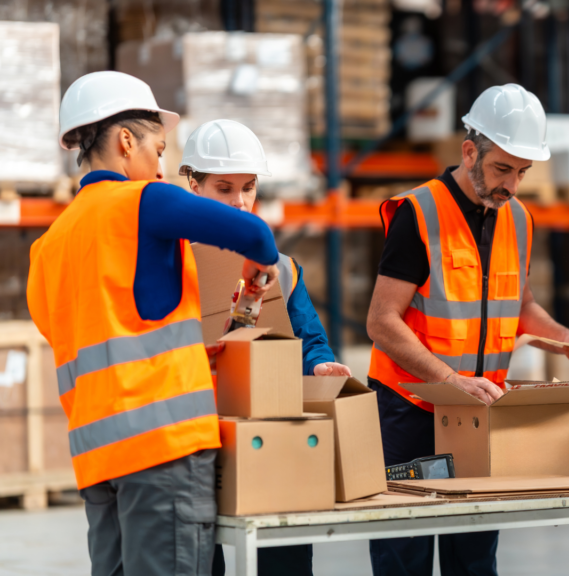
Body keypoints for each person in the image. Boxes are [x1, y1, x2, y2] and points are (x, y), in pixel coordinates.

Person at [26, 71, 281, 576]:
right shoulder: (146, 201)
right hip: (163, 452)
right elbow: (255, 234)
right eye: (159, 151)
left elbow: (79, 332)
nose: (161, 167)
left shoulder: (47, 248)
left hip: (97, 461)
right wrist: (256, 265)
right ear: (125, 141)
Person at [364, 83, 569, 576]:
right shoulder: (418, 213)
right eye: (501, 169)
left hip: (478, 411)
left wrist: (565, 339)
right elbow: (381, 322)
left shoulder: (518, 218)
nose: (511, 185)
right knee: (402, 555)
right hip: (409, 411)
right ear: (469, 150)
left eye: (521, 173)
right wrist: (450, 381)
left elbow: (523, 304)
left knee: (473, 555)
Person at [178, 119, 352, 576]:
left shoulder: (284, 269)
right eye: (224, 187)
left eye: (248, 187)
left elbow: (309, 339)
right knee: (197, 559)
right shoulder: (173, 266)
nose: (239, 201)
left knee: (286, 557)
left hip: (266, 434)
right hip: (193, 436)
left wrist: (318, 367)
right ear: (192, 185)